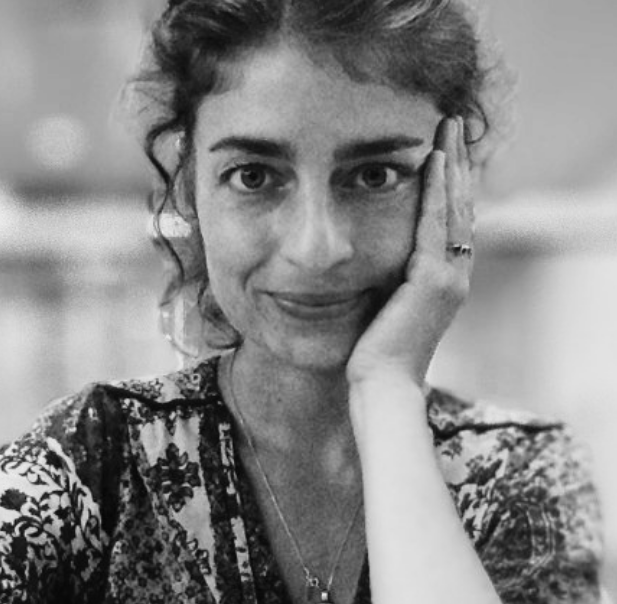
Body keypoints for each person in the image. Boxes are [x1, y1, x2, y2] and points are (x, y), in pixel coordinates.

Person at [0, 1, 605, 603]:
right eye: (254, 177)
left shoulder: (518, 478)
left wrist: (388, 388)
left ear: (452, 190)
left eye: (375, 176)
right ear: (190, 189)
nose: (317, 248)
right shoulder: (91, 462)